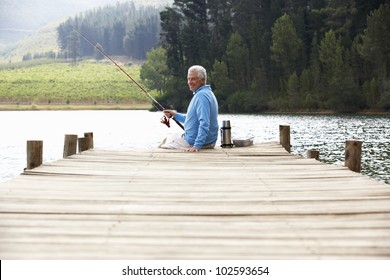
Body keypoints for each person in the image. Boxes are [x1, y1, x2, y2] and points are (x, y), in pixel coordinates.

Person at [159, 65, 219, 152]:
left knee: (164, 142)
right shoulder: (207, 93)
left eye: (193, 79)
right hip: (208, 142)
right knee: (170, 138)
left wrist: (196, 146)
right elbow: (192, 120)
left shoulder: (201, 96)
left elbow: (204, 123)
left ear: (202, 80)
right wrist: (175, 115)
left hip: (198, 143)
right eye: (188, 79)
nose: (190, 82)